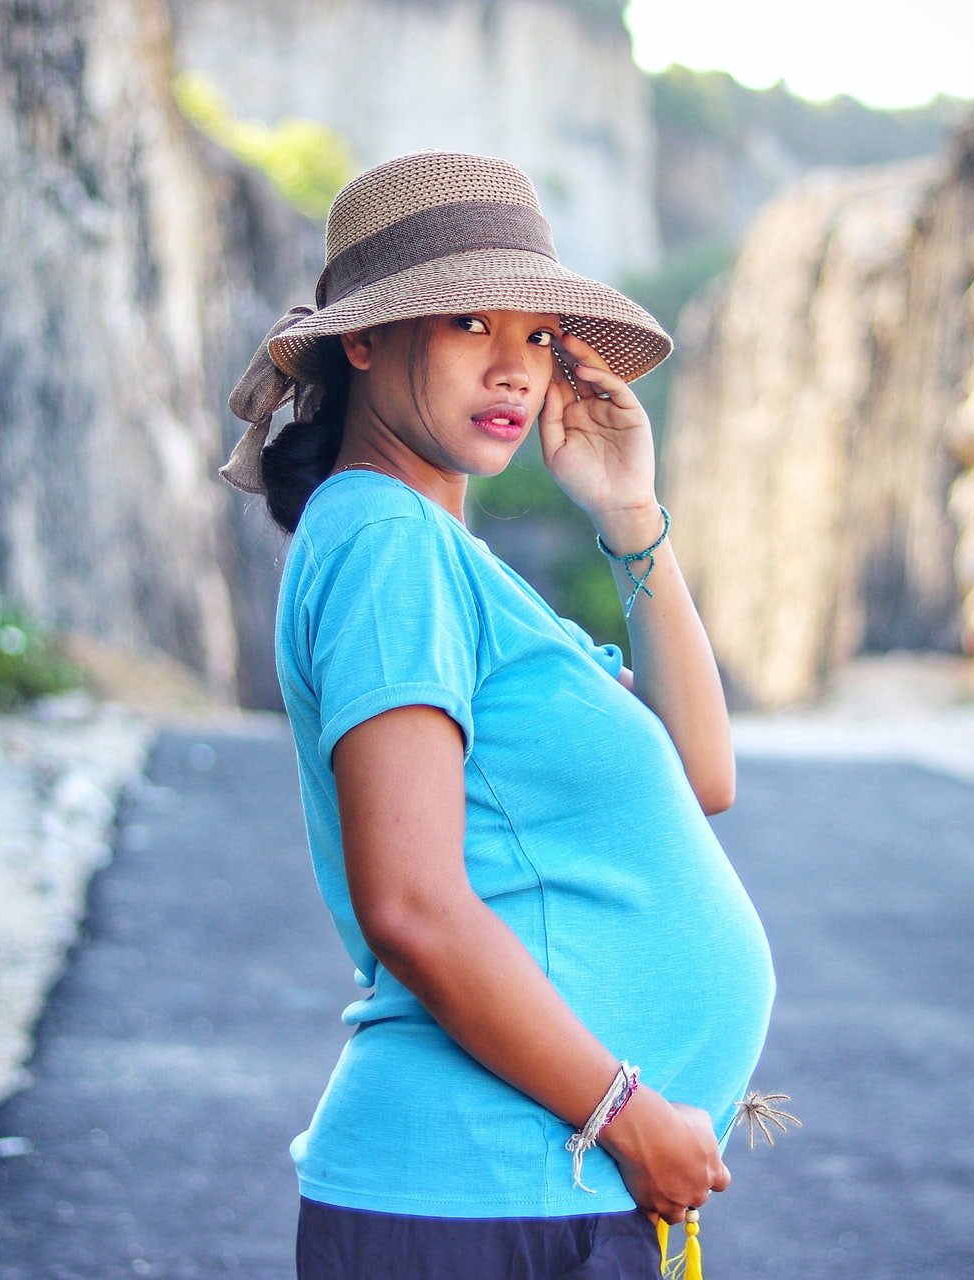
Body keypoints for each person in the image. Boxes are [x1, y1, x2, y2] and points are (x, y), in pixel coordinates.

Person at [220, 151, 775, 1280]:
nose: (515, 368)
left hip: (526, 1189)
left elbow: (701, 775)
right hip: (489, 1192)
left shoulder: (445, 557)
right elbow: (411, 903)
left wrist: (629, 511)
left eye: (536, 334)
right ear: (363, 339)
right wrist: (626, 1112)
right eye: (470, 320)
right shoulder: (386, 540)